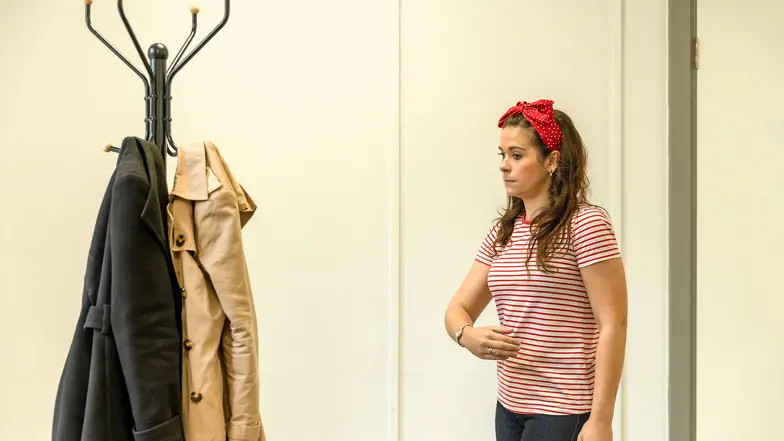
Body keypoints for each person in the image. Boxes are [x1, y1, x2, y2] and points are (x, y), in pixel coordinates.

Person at [444, 100, 628, 441]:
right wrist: (467, 336)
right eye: (502, 155)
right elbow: (457, 309)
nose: (504, 166)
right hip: (510, 405)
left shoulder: (585, 225)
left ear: (552, 161)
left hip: (563, 409)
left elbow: (613, 323)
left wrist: (601, 419)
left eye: (517, 155)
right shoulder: (504, 232)